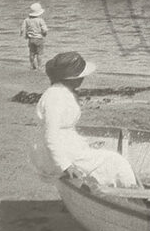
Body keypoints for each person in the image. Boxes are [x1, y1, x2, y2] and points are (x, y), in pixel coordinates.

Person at [29, 52, 138, 187]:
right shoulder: (55, 97)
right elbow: (50, 136)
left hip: (64, 146)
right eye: (81, 75)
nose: (84, 78)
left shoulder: (62, 91)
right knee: (118, 161)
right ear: (71, 78)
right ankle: (132, 194)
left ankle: (114, 188)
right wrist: (66, 165)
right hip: (58, 153)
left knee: (104, 155)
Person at [20, 2, 49, 70]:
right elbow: (44, 30)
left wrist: (22, 34)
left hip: (31, 39)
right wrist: (44, 34)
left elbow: (22, 28)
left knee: (32, 53)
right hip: (39, 39)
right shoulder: (40, 20)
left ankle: (32, 65)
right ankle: (39, 66)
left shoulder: (26, 20)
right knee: (40, 54)